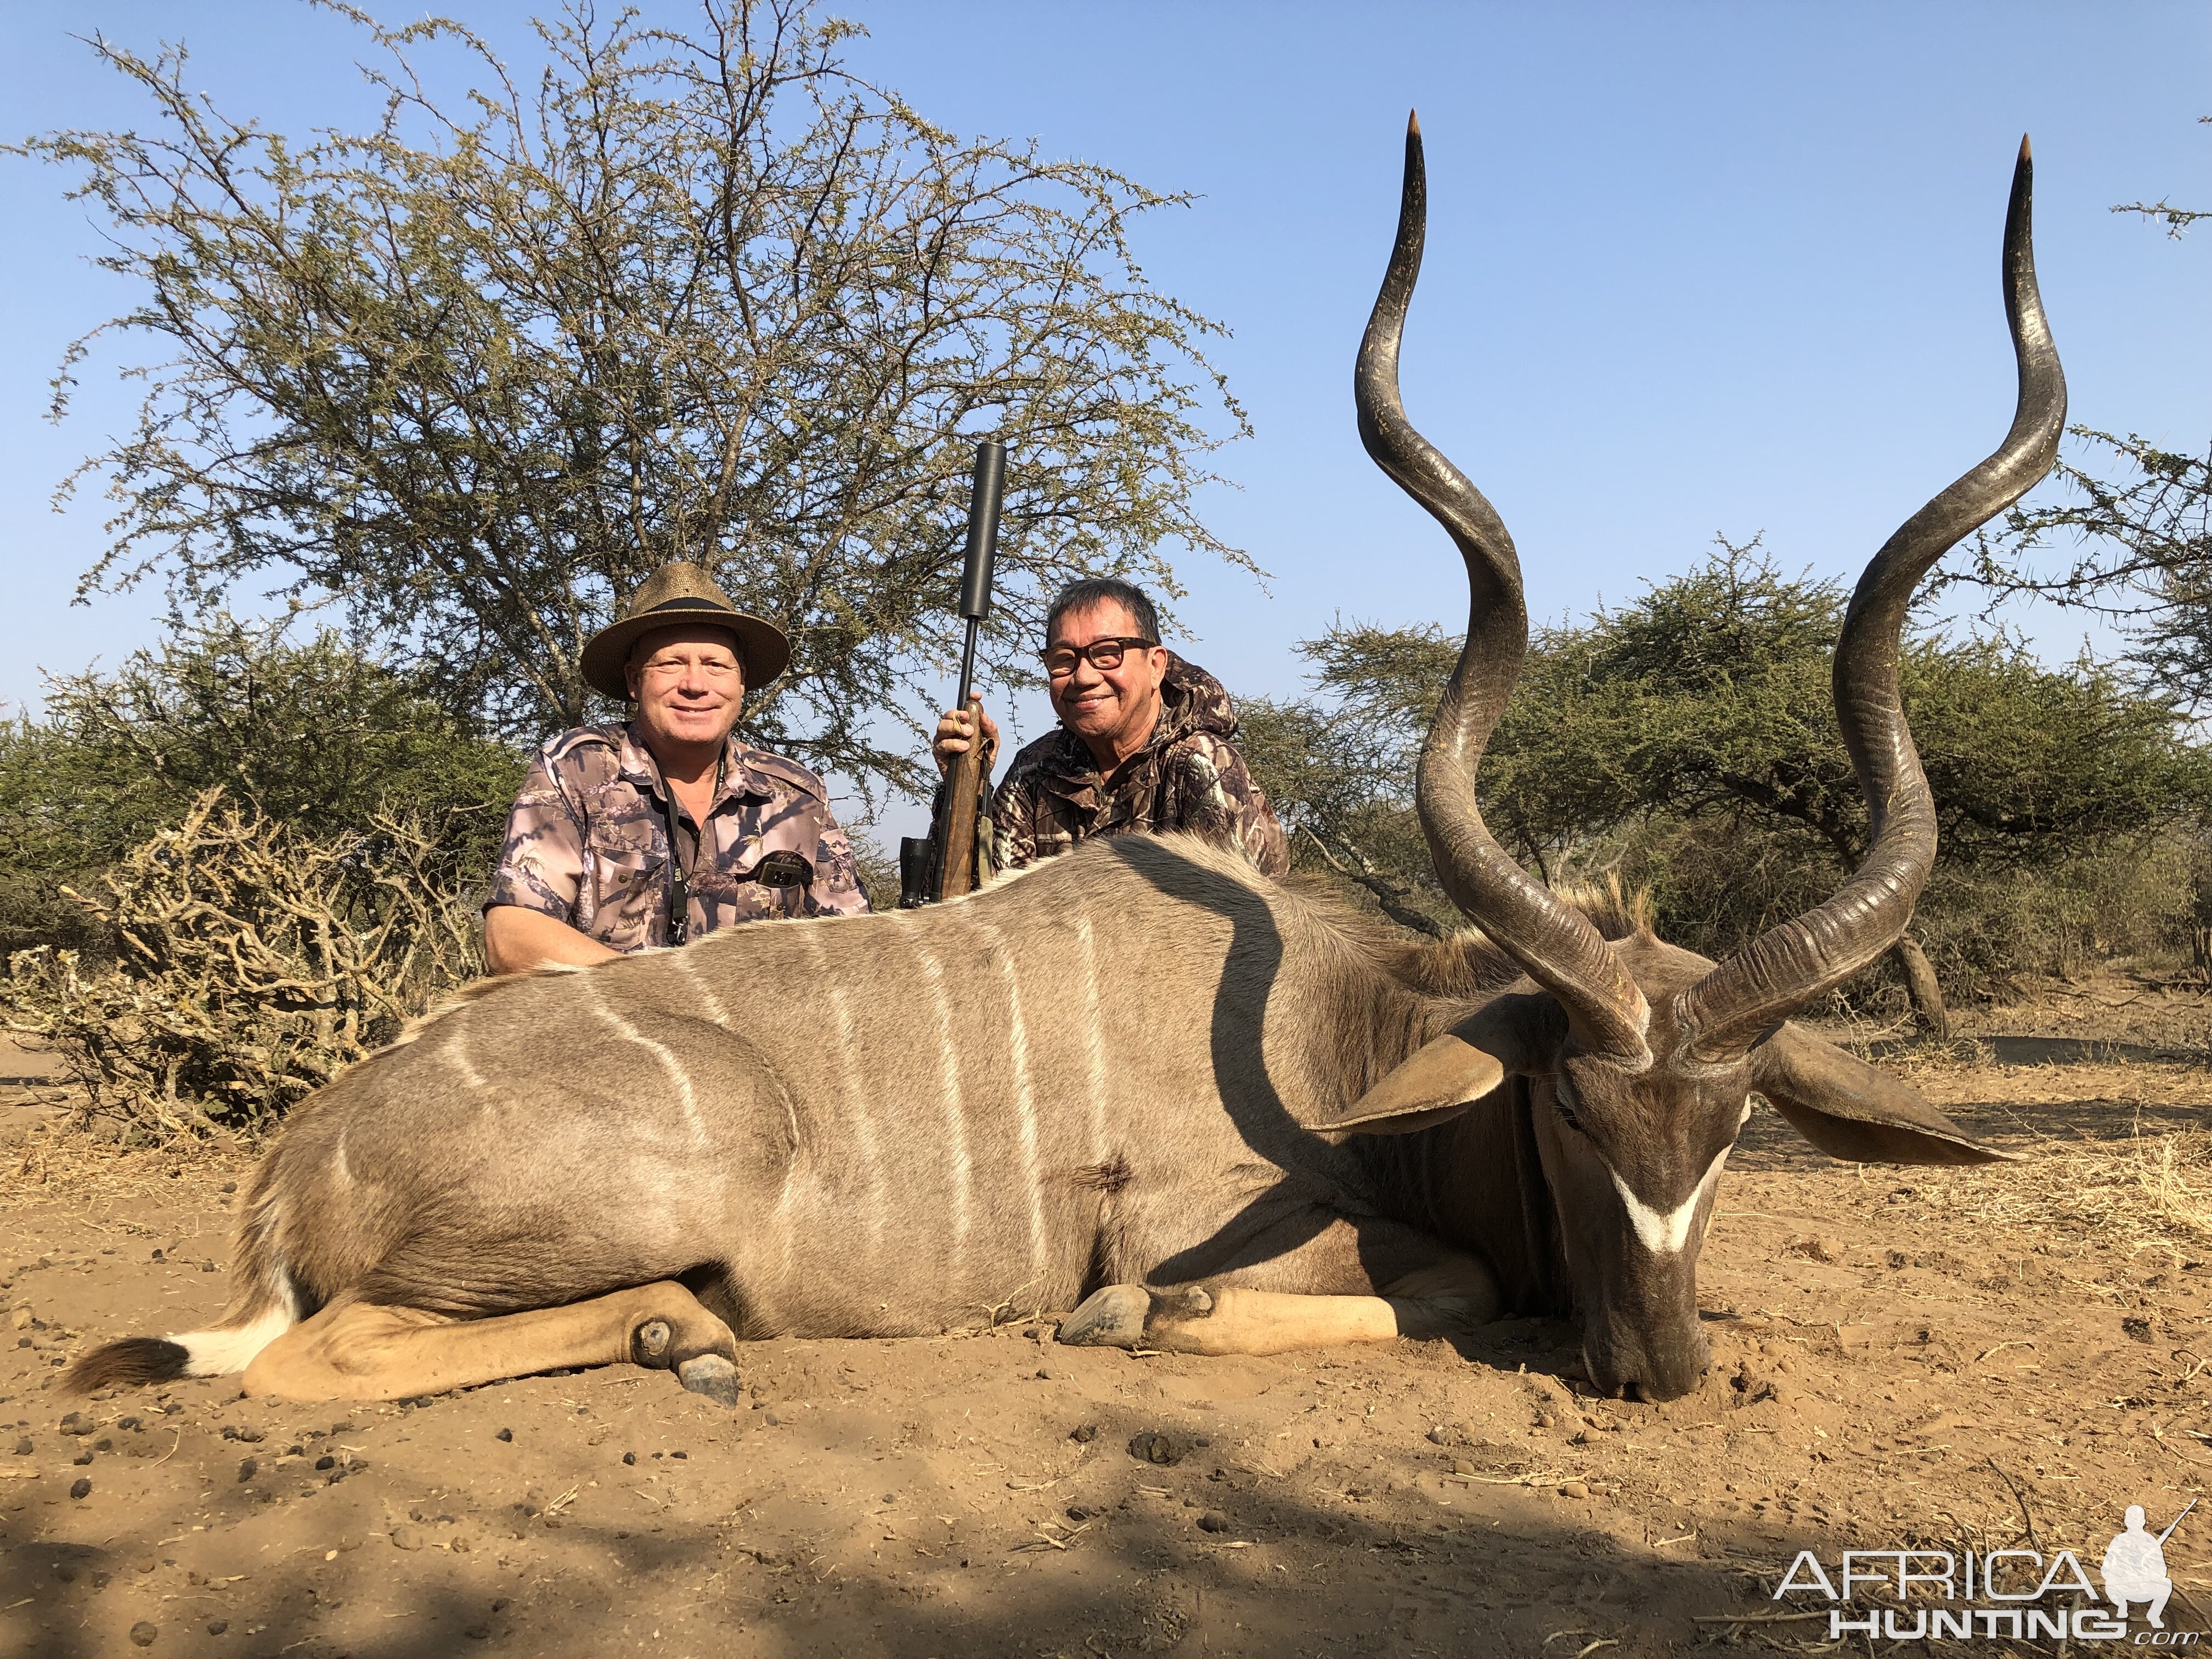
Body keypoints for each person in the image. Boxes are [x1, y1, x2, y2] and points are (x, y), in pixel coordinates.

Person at [484, 561, 868, 971]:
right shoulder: (577, 768)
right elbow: (512, 935)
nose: (696, 684)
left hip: (758, 1030)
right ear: (634, 681)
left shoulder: (796, 794)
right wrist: (672, 1001)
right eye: (671, 664)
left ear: (741, 683)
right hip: (614, 1029)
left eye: (716, 665)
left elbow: (853, 945)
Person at [930, 575, 1289, 878]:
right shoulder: (1033, 772)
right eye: (1064, 660)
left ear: (1155, 666)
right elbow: (981, 913)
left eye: (1107, 654)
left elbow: (1239, 933)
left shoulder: (1201, 766)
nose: (1084, 677)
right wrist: (965, 784)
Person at [2102, 1505, 2175, 1628]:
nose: (2133, 1522)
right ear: (2126, 1521)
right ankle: (2121, 1606)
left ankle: (2154, 1615)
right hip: (2122, 1586)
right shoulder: (2119, 1541)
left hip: (2144, 1587)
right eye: (2131, 1519)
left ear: (2144, 1522)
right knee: (2110, 1583)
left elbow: (2162, 1570)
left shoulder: (2151, 1541)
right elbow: (2106, 1568)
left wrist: (2146, 1574)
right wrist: (2123, 1572)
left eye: (2137, 1519)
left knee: (2166, 1584)